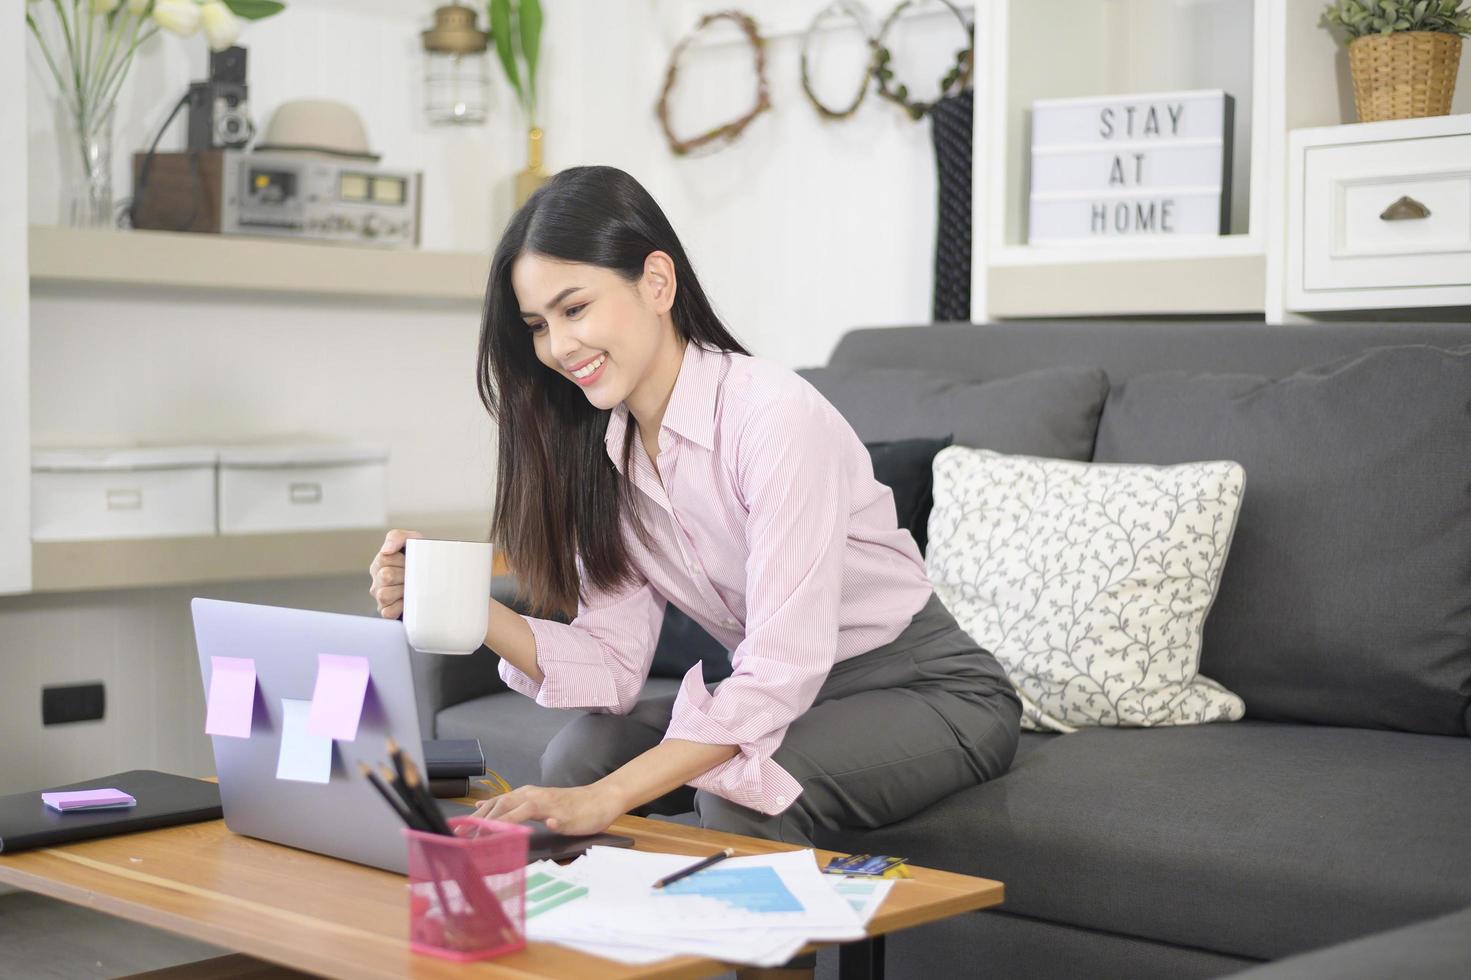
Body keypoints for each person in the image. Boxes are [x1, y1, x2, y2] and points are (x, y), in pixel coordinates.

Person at [368, 164, 1020, 853]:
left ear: (657, 282)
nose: (557, 348)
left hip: (927, 686)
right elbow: (612, 665)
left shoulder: (772, 418)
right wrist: (466, 606)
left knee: (742, 790)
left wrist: (607, 798)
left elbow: (777, 670)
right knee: (578, 758)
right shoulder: (606, 453)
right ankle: (614, 954)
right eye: (537, 324)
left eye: (575, 308)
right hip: (795, 687)